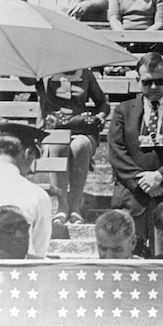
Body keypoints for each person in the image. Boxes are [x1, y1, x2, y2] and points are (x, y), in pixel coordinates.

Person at [108, 53, 163, 257]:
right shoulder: (123, 111)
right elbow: (116, 153)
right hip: (131, 198)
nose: (154, 88)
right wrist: (143, 182)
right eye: (147, 82)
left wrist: (159, 176)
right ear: (138, 80)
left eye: (159, 81)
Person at [24, 69, 109, 226]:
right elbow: (27, 79)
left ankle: (75, 205)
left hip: (80, 129)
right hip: (52, 131)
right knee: (58, 146)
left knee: (80, 145)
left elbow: (102, 102)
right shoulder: (46, 71)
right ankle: (62, 205)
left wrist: (100, 116)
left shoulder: (85, 74)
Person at [0, 122, 51, 257]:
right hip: (17, 275)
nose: (30, 169)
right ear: (28, 153)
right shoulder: (37, 195)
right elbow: (39, 252)